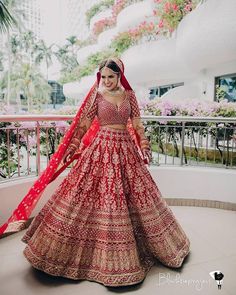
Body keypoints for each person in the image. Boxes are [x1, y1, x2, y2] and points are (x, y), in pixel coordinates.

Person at [1, 58, 190, 287]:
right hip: (100, 150)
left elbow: (138, 125)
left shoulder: (130, 96)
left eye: (112, 76)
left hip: (126, 150)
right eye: (104, 77)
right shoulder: (97, 96)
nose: (107, 81)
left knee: (136, 198)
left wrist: (144, 145)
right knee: (88, 196)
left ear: (120, 75)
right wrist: (74, 145)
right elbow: (83, 123)